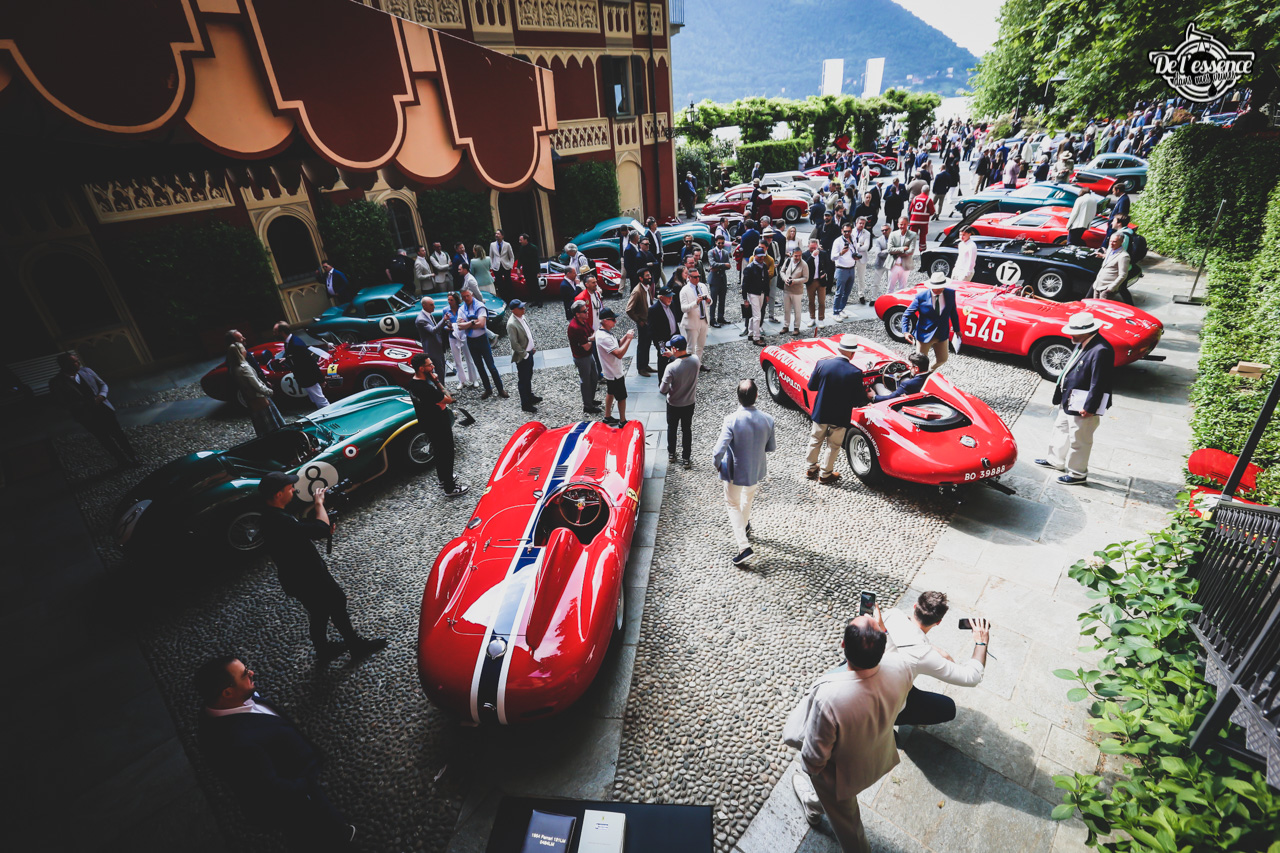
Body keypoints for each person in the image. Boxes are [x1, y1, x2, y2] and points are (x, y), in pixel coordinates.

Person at [786, 609, 915, 851]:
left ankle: (817, 804)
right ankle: (814, 805)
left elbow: (814, 761)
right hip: (879, 756)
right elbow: (902, 706)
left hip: (840, 778)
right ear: (883, 644)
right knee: (831, 806)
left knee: (850, 829)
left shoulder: (829, 697)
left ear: (843, 645)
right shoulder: (903, 668)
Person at [195, 656, 357, 848]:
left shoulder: (230, 702)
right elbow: (271, 788)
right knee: (317, 828)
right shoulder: (238, 744)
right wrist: (305, 785)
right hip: (298, 793)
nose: (251, 673)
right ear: (227, 692)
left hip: (296, 774)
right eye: (245, 674)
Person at [258, 471, 388, 662]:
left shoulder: (269, 516)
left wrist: (320, 526)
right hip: (309, 576)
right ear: (278, 494)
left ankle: (324, 650)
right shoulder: (280, 519)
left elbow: (299, 532)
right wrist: (319, 503)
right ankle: (355, 646)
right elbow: (319, 529)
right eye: (289, 488)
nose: (293, 490)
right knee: (337, 602)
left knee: (319, 612)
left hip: (295, 578)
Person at [884, 592, 991, 729]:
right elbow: (972, 677)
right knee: (947, 708)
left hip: (872, 678)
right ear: (938, 622)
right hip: (885, 707)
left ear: (915, 606)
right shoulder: (924, 656)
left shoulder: (892, 614)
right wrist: (981, 643)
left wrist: (936, 650)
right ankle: (892, 722)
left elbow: (906, 640)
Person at [1035, 311, 1114, 486]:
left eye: (1074, 331)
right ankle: (1055, 460)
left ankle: (1078, 474)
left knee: (1080, 439)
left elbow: (1099, 382)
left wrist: (1090, 407)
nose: (1070, 334)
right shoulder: (1083, 342)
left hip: (1082, 404)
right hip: (1069, 398)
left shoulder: (1101, 350)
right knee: (1061, 428)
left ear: (1087, 331)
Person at [713, 379, 777, 567]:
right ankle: (745, 524)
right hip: (755, 468)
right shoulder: (768, 419)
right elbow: (770, 447)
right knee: (747, 499)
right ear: (756, 396)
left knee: (732, 503)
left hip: (734, 470)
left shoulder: (731, 420)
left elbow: (718, 451)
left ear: (738, 398)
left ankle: (743, 547)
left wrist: (717, 465)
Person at [49, 352, 138, 466]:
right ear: (65, 365)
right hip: (86, 416)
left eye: (77, 360)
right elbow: (61, 403)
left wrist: (101, 396)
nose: (78, 363)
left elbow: (102, 384)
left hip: (104, 408)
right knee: (104, 439)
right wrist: (84, 404)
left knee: (118, 434)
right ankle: (122, 460)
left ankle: (132, 456)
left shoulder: (87, 371)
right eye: (74, 362)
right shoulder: (56, 382)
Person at [805, 334, 868, 484]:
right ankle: (825, 474)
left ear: (839, 349)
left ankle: (810, 468)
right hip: (839, 415)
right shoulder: (855, 372)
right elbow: (858, 400)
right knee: (833, 445)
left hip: (821, 411)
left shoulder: (822, 364)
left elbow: (811, 386)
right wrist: (869, 395)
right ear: (853, 354)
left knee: (815, 439)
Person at [406, 353, 467, 496]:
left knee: (439, 452)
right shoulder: (425, 388)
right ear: (422, 368)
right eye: (430, 365)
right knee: (447, 453)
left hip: (427, 422)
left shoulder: (413, 383)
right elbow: (449, 399)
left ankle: (443, 479)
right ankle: (450, 488)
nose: (433, 367)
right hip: (438, 423)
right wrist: (438, 382)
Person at [227, 332, 284, 437]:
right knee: (272, 424)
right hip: (259, 398)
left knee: (263, 426)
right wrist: (269, 391)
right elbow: (255, 384)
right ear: (240, 352)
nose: (245, 351)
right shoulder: (244, 367)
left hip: (251, 399)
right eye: (243, 350)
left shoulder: (233, 367)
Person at [456, 288, 507, 399]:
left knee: (491, 366)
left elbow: (481, 324)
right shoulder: (462, 308)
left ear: (472, 295)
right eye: (463, 297)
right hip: (471, 340)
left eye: (467, 296)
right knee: (479, 366)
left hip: (482, 339)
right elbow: (459, 326)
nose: (465, 299)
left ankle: (500, 389)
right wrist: (473, 321)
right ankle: (487, 389)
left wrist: (467, 323)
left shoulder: (479, 306)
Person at [658, 334, 700, 468]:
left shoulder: (671, 368)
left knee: (672, 428)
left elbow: (663, 389)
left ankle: (672, 453)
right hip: (689, 403)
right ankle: (686, 458)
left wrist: (671, 359)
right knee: (686, 429)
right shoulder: (695, 360)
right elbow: (684, 361)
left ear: (675, 349)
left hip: (674, 404)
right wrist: (673, 356)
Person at [905, 273, 962, 370]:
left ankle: (929, 371)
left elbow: (953, 313)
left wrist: (957, 329)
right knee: (919, 363)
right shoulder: (921, 296)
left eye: (941, 287)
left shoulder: (950, 294)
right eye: (937, 287)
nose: (940, 289)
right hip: (924, 334)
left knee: (943, 359)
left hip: (942, 334)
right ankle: (916, 378)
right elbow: (907, 314)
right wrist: (906, 331)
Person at [273, 322, 329, 409]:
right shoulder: (289, 342)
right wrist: (287, 358)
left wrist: (321, 379)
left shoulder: (296, 344)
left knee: (320, 400)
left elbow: (310, 363)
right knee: (315, 399)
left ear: (282, 332)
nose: (274, 334)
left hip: (308, 377)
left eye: (275, 332)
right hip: (304, 377)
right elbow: (297, 356)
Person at [595, 308, 635, 426]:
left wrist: (625, 337)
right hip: (615, 372)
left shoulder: (602, 333)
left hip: (609, 372)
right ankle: (622, 421)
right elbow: (619, 354)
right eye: (613, 319)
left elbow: (616, 344)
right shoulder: (604, 337)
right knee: (621, 397)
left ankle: (607, 416)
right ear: (606, 321)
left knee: (610, 392)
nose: (615, 322)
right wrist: (629, 339)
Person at [506, 299, 541, 413]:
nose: (523, 309)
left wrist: (531, 347)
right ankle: (525, 403)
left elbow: (527, 333)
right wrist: (525, 354)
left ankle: (530, 396)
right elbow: (514, 343)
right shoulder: (511, 324)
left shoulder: (522, 317)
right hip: (523, 356)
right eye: (520, 308)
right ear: (513, 310)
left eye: (523, 307)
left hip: (529, 352)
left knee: (528, 376)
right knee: (523, 380)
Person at [567, 301, 600, 414]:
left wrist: (590, 338)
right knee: (586, 381)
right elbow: (587, 346)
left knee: (594, 377)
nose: (587, 312)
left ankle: (590, 400)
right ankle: (588, 406)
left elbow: (593, 332)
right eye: (584, 311)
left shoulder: (583, 322)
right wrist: (591, 339)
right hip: (582, 357)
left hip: (588, 355)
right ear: (577, 314)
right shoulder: (576, 327)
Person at [442, 292, 479, 391]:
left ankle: (474, 379)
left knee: (469, 358)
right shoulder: (445, 310)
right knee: (457, 360)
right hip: (452, 336)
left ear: (456, 300)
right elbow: (444, 324)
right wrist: (448, 327)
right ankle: (461, 380)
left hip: (464, 335)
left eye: (451, 300)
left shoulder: (462, 309)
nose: (449, 302)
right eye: (448, 300)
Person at [626, 269, 658, 377]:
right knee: (642, 345)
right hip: (643, 323)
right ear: (640, 278)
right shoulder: (637, 291)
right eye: (647, 275)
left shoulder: (647, 287)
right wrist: (639, 320)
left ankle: (646, 364)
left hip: (649, 321)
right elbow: (629, 309)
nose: (649, 277)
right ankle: (641, 368)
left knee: (647, 344)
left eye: (649, 274)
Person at [648, 286, 680, 380]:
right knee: (663, 361)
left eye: (671, 296)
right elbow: (652, 330)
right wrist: (659, 346)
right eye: (668, 296)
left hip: (674, 337)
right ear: (661, 297)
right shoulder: (654, 309)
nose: (671, 298)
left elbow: (674, 320)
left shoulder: (672, 304)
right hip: (662, 341)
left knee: (675, 359)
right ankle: (662, 382)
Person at [829, 223, 859, 321]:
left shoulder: (853, 239)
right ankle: (835, 312)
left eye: (849, 231)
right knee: (839, 292)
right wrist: (841, 253)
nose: (847, 233)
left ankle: (841, 308)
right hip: (841, 269)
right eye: (845, 231)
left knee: (847, 292)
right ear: (842, 231)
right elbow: (832, 257)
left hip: (851, 268)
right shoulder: (837, 241)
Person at [1091, 233, 1132, 302]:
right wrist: (1102, 255)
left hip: (1106, 288)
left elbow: (1123, 275)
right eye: (1110, 241)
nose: (1111, 243)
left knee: (1103, 309)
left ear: (1121, 242)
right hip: (1098, 285)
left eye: (1114, 241)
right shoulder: (1110, 250)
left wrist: (1110, 289)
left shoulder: (1124, 256)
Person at [779, 246, 810, 336]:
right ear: (792, 255)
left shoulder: (804, 264)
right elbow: (782, 271)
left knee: (797, 310)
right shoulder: (788, 261)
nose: (798, 257)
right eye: (796, 256)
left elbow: (806, 278)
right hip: (787, 290)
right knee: (786, 309)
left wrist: (794, 281)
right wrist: (785, 279)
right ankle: (786, 326)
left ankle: (796, 327)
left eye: (800, 255)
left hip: (797, 291)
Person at [742, 247, 769, 346]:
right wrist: (745, 298)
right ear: (755, 256)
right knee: (757, 316)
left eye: (763, 256)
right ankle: (756, 337)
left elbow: (766, 281)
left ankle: (751, 332)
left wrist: (767, 293)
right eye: (760, 256)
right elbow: (744, 284)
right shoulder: (749, 268)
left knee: (754, 315)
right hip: (753, 293)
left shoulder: (764, 266)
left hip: (761, 293)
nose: (762, 258)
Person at [802, 237, 831, 329]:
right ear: (808, 246)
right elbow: (804, 266)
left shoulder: (823, 254)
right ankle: (812, 318)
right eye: (811, 248)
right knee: (811, 301)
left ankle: (821, 319)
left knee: (821, 301)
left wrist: (825, 272)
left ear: (818, 247)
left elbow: (828, 265)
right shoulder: (805, 255)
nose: (813, 250)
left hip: (821, 280)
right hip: (811, 281)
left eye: (815, 248)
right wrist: (812, 256)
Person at [886, 217, 916, 294]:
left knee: (903, 288)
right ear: (898, 224)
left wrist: (896, 252)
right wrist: (903, 249)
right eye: (901, 224)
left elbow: (911, 251)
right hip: (893, 265)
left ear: (908, 224)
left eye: (904, 224)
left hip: (905, 266)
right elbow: (889, 249)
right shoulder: (893, 234)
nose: (902, 226)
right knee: (890, 288)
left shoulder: (912, 235)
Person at [708, 234, 732, 328]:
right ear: (716, 242)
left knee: (722, 300)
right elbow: (712, 264)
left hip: (722, 279)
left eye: (722, 243)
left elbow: (728, 266)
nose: (721, 245)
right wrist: (724, 265)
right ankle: (712, 319)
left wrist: (719, 267)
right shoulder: (711, 252)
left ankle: (720, 317)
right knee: (713, 301)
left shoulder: (725, 253)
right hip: (714, 280)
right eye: (719, 243)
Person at [489, 230, 516, 298]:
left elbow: (511, 256)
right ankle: (503, 298)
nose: (496, 235)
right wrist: (492, 266)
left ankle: (511, 298)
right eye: (496, 234)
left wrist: (510, 265)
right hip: (496, 267)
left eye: (498, 234)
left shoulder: (507, 245)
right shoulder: (492, 245)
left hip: (506, 266)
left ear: (502, 236)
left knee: (508, 283)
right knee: (500, 284)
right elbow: (491, 256)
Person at [517, 233, 541, 306]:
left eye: (521, 240)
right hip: (526, 270)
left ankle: (539, 301)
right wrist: (518, 267)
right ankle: (534, 300)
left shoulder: (533, 248)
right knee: (530, 286)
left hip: (533, 269)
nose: (519, 241)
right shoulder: (521, 248)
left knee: (536, 286)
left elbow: (537, 260)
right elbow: (520, 259)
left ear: (525, 240)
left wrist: (538, 272)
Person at [908, 186, 935, 252]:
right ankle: (922, 250)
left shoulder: (915, 198)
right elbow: (932, 211)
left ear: (921, 190)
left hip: (914, 221)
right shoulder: (928, 199)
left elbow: (910, 209)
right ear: (928, 191)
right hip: (923, 222)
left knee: (912, 236)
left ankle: (910, 249)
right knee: (923, 236)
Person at [870, 223, 892, 296]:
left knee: (890, 282)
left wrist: (884, 251)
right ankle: (873, 297)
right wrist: (890, 250)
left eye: (886, 230)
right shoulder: (878, 240)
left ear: (890, 229)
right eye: (882, 230)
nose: (884, 232)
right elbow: (878, 253)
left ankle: (889, 297)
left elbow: (897, 251)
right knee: (875, 282)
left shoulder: (894, 238)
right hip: (880, 263)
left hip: (890, 264)